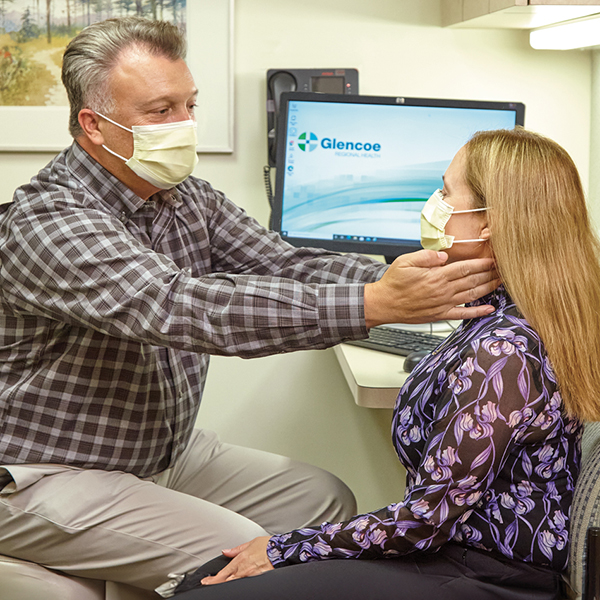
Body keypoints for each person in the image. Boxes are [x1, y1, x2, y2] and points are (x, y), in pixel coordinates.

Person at [0, 17, 498, 597]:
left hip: (157, 451)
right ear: (94, 125)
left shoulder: (182, 197)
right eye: (160, 111)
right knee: (231, 554)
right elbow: (179, 307)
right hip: (41, 471)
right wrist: (374, 303)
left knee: (323, 499)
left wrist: (409, 278)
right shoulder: (48, 221)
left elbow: (284, 264)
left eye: (189, 104)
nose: (184, 124)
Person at [176, 128, 600, 600]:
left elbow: (422, 520)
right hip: (455, 553)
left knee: (206, 588)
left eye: (444, 191)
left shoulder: (504, 352)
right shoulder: (506, 319)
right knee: (213, 577)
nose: (432, 203)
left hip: (482, 575)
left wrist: (280, 548)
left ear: (487, 223)